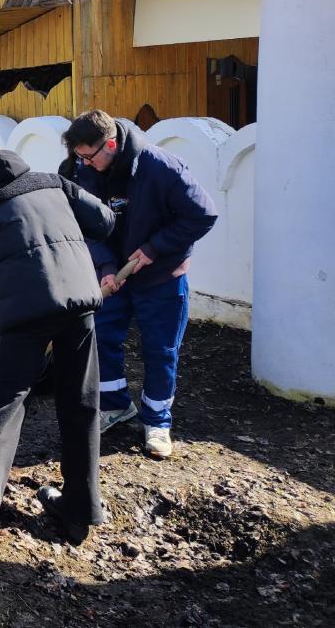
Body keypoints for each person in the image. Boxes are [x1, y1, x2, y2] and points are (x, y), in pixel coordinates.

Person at [0, 144, 115, 553]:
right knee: (82, 404)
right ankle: (79, 511)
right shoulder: (53, 180)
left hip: (26, 314)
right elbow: (104, 221)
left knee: (5, 409)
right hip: (80, 303)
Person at [61, 110, 217, 459]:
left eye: (89, 156)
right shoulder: (83, 171)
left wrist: (153, 249)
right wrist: (103, 266)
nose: (84, 164)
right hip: (114, 275)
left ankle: (158, 421)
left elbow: (202, 214)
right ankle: (115, 405)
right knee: (102, 339)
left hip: (162, 277)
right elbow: (86, 224)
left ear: (111, 144)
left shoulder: (160, 167)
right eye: (79, 157)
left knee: (160, 349)